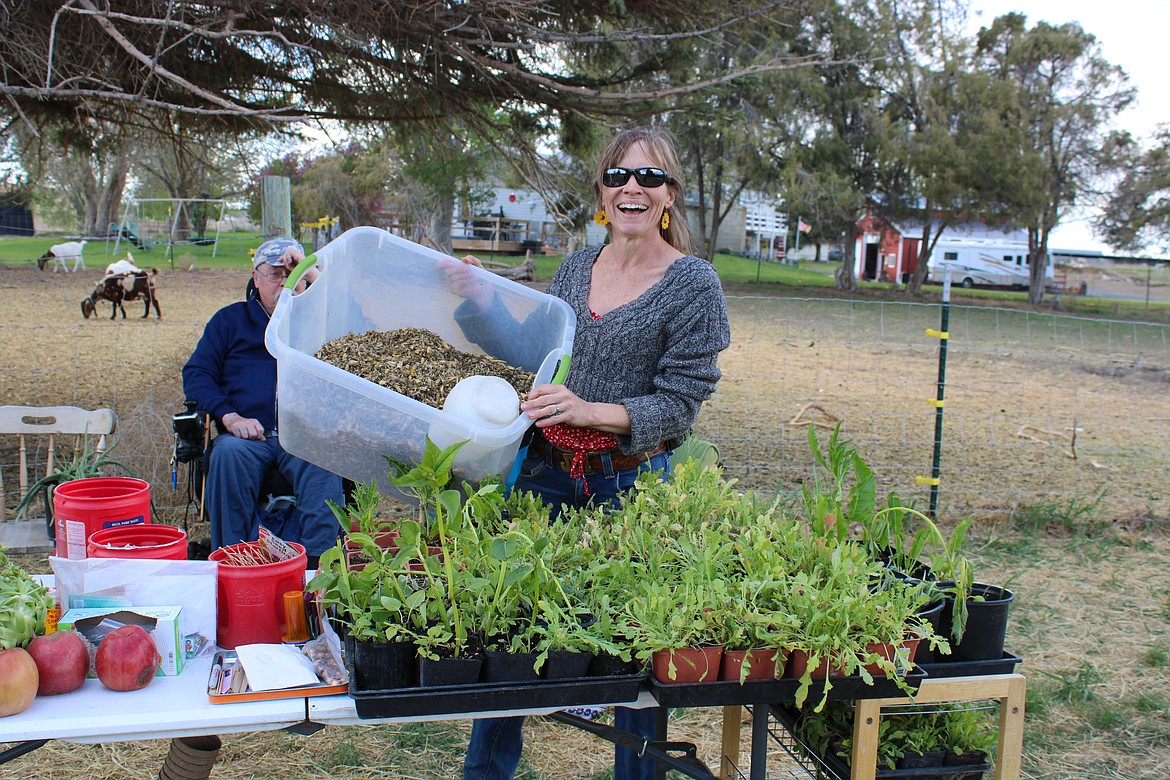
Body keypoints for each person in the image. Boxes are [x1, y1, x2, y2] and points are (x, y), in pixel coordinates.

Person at [449, 126, 731, 780]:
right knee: (510, 632)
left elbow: (681, 401)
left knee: (636, 647)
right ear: (602, 192)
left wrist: (589, 411)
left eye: (649, 177)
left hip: (632, 486)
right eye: (618, 175)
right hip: (546, 475)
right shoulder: (577, 267)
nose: (632, 186)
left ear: (669, 197)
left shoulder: (694, 285)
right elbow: (534, 352)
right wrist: (482, 299)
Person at [182, 237, 343, 567]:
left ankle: (318, 570)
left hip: (302, 436)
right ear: (255, 278)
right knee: (227, 454)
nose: (284, 281)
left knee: (323, 459)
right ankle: (232, 561)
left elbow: (350, 311)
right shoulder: (230, 322)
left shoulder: (320, 322)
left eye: (293, 273)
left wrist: (310, 274)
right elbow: (197, 373)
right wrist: (229, 417)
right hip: (247, 435)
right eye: (274, 274)